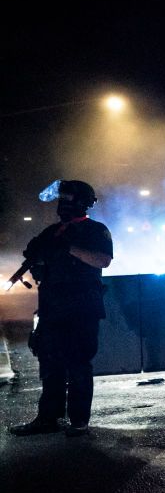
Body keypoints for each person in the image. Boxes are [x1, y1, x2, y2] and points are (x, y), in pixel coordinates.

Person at [9, 180, 113, 438]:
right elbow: (35, 261)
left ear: (82, 203)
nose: (63, 205)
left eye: (69, 200)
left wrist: (69, 248)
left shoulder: (95, 230)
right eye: (61, 200)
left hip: (81, 309)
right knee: (50, 365)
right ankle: (48, 418)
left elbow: (103, 260)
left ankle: (79, 423)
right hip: (52, 308)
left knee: (78, 364)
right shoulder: (51, 232)